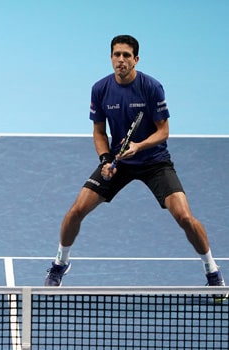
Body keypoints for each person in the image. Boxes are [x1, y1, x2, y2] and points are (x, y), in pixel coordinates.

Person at [44, 35, 226, 299]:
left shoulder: (152, 88)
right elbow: (98, 132)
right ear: (111, 58)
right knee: (76, 210)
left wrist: (139, 146)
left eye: (126, 55)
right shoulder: (100, 89)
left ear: (136, 59)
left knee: (185, 217)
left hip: (155, 162)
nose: (121, 60)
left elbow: (164, 131)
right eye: (117, 55)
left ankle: (212, 271)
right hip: (120, 161)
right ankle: (60, 264)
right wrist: (105, 159)